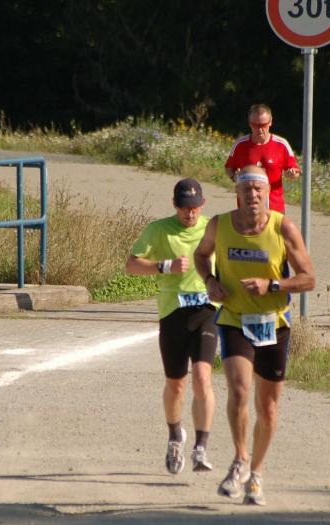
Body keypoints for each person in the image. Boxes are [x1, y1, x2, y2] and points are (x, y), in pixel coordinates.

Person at [194, 165, 316, 505]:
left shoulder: (283, 227)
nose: (253, 195)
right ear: (237, 193)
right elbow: (201, 255)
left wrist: (272, 285)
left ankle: (257, 474)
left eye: (259, 189)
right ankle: (240, 460)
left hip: (273, 323)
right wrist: (210, 281)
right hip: (234, 319)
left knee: (269, 408)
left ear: (267, 193)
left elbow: (309, 278)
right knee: (238, 390)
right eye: (247, 189)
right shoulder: (219, 225)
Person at [125, 178, 218, 475]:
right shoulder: (159, 229)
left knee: (202, 378)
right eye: (184, 207)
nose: (190, 213)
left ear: (202, 205)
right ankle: (176, 436)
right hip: (173, 313)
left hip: (206, 311)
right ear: (175, 205)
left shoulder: (214, 228)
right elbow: (131, 264)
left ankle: (201, 447)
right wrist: (164, 266)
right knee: (176, 385)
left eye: (194, 207)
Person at [225, 104, 301, 213]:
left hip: (274, 210)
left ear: (270, 122)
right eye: (255, 125)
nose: (259, 129)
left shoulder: (281, 144)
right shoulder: (240, 145)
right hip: (247, 210)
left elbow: (295, 171)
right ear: (249, 123)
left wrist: (292, 174)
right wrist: (234, 176)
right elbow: (229, 168)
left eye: (263, 125)